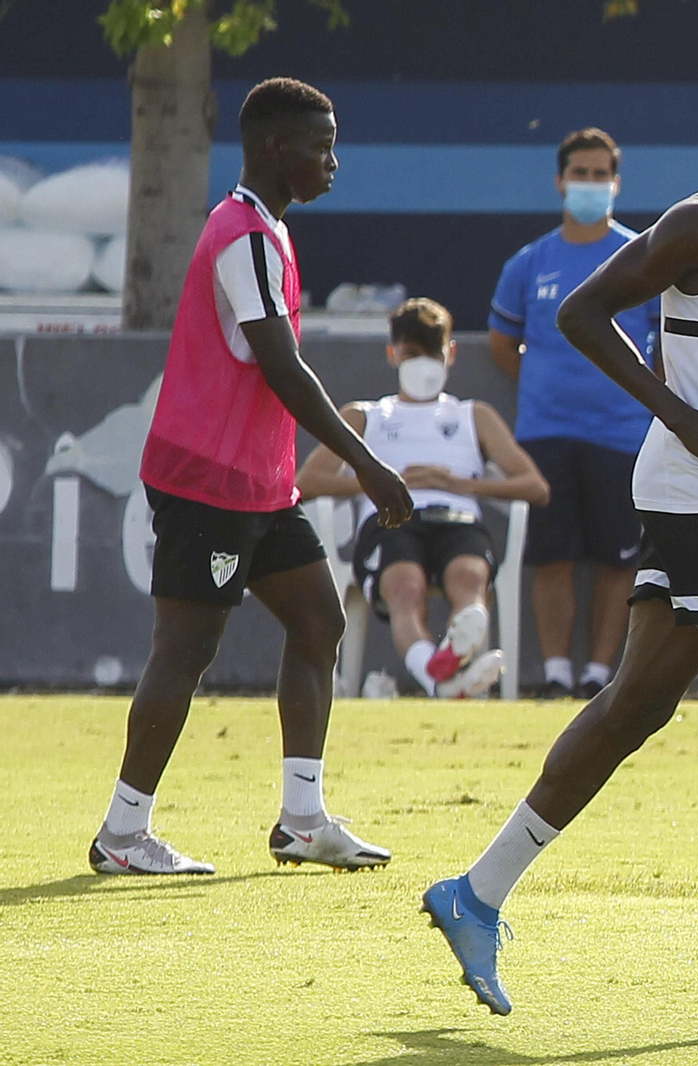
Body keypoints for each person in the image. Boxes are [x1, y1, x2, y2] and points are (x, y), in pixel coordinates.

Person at [423, 52, 698, 1027]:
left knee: (632, 709)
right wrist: (678, 412)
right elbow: (581, 312)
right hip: (697, 480)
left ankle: (476, 892)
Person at [89, 78, 412, 876]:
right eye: (321, 145)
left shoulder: (264, 227)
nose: (333, 160)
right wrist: (365, 463)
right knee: (186, 650)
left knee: (320, 622)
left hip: (259, 482)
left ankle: (303, 821)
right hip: (210, 479)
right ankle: (122, 833)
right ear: (277, 148)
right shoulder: (245, 236)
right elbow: (283, 368)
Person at [296, 298, 551, 698]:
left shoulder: (473, 415)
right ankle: (441, 675)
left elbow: (535, 486)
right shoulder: (366, 415)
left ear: (450, 354)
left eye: (432, 353)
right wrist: (383, 482)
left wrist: (464, 484)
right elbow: (307, 480)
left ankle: (444, 666)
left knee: (469, 576)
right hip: (390, 521)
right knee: (404, 585)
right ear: (391, 354)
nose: (423, 364)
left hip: (457, 518)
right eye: (412, 353)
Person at [488, 128, 659, 700]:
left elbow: (666, 345)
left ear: (617, 182)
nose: (589, 184)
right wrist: (546, 388)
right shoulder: (528, 262)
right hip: (544, 433)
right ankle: (557, 671)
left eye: (599, 174)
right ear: (560, 181)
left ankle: (598, 674)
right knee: (552, 555)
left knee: (618, 560)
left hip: (625, 435)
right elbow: (502, 344)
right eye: (578, 174)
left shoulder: (643, 257)